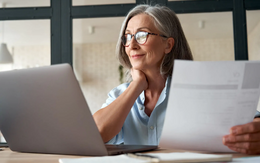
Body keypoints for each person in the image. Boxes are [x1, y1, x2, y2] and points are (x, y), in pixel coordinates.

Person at [93, 4, 260, 154]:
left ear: (168, 45)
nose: (132, 45)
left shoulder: (197, 88)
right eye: (128, 37)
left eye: (142, 35)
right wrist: (137, 85)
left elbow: (252, 119)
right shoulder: (119, 95)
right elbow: (95, 135)